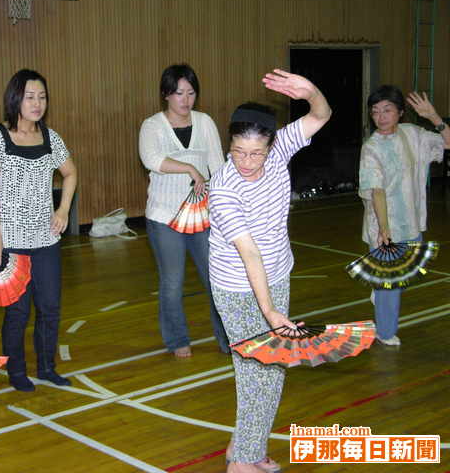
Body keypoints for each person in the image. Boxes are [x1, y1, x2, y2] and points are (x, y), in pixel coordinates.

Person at [209, 69, 331, 473]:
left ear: (271, 146)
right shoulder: (224, 188)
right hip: (238, 287)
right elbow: (249, 255)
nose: (245, 161)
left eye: (255, 153)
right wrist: (270, 311)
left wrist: (311, 91)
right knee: (258, 370)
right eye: (237, 151)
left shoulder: (279, 153)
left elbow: (321, 116)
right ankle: (242, 462)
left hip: (278, 275)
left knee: (271, 369)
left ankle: (245, 447)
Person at [0, 69, 77, 392]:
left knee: (50, 308)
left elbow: (71, 173)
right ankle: (16, 371)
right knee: (18, 312)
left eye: (42, 97)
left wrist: (62, 209)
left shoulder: (51, 138)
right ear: (15, 99)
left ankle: (47, 367)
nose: (37, 104)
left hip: (46, 239)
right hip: (11, 241)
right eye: (30, 97)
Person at [139, 63, 229, 358]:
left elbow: (217, 167)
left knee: (216, 280)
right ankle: (178, 340)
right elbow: (151, 158)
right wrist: (189, 167)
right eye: (179, 93)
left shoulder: (205, 122)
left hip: (203, 218)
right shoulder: (152, 126)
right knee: (172, 283)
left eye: (191, 92)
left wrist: (225, 207)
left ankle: (228, 338)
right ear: (166, 94)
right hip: (165, 218)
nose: (186, 99)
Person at [359, 85, 450, 346]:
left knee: (404, 273)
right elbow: (376, 190)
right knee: (391, 284)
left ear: (400, 112)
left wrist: (434, 117)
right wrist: (384, 228)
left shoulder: (414, 134)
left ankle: (381, 287)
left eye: (387, 110)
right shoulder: (371, 147)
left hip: (411, 220)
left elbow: (447, 142)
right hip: (383, 224)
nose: (381, 116)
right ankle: (385, 332)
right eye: (375, 112)